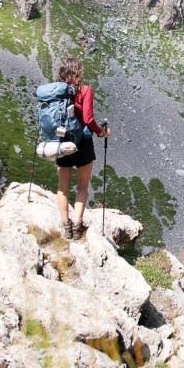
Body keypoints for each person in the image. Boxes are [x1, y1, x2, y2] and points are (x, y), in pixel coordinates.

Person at [54, 56, 109, 239]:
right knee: (82, 187)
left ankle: (66, 227)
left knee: (62, 186)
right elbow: (88, 119)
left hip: (62, 141)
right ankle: (77, 225)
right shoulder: (85, 90)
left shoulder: (56, 92)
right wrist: (101, 133)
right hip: (83, 142)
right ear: (78, 71)